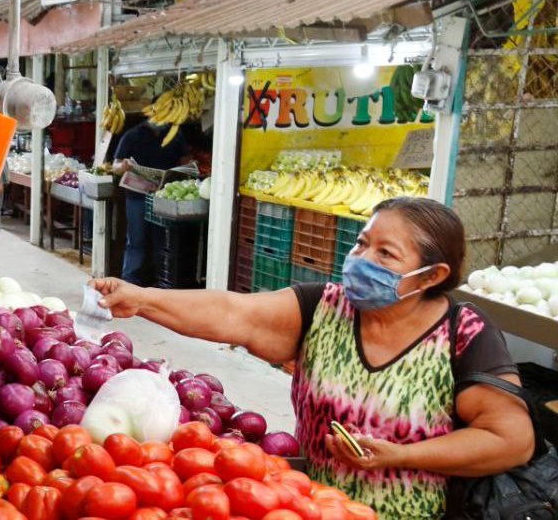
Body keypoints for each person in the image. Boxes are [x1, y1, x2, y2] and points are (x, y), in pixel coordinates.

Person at [91, 197, 534, 519]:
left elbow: (510, 440)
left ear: (432, 275)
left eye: (385, 253)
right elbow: (232, 312)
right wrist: (142, 299)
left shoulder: (464, 332)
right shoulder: (322, 307)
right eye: (362, 244)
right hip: (313, 509)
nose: (361, 259)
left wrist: (399, 456)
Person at [113, 119, 188, 283]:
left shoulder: (175, 135)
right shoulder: (132, 135)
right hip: (136, 197)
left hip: (163, 198)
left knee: (161, 242)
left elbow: (185, 161)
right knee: (136, 241)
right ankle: (129, 280)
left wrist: (184, 170)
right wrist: (123, 166)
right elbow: (115, 166)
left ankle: (159, 280)